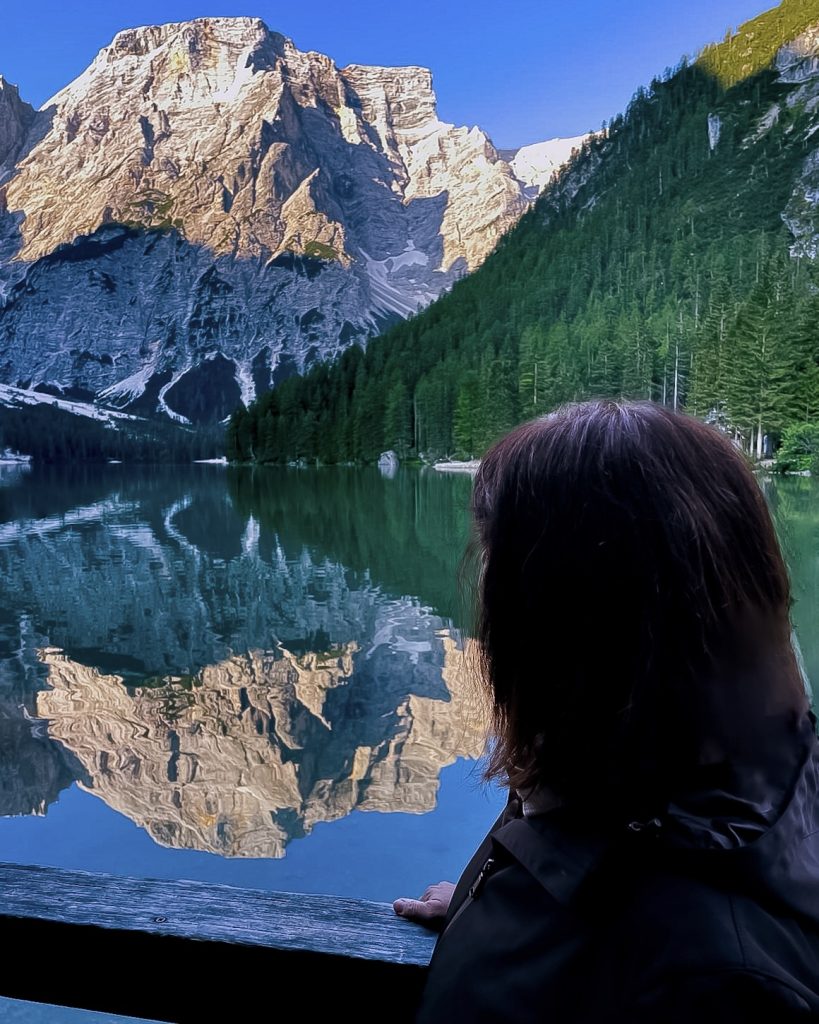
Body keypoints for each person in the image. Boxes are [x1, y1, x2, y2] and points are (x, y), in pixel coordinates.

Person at [393, 400, 819, 1022]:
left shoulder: (709, 988)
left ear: (570, 626)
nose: (483, 596)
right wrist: (488, 902)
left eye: (497, 563)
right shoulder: (672, 786)